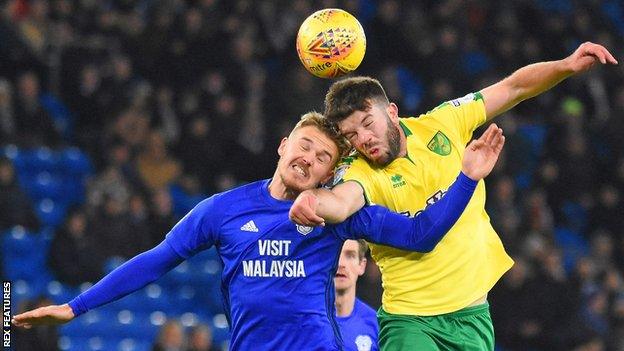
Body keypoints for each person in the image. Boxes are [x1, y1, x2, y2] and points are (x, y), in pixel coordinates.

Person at [12, 112, 505, 350]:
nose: (308, 159)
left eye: (323, 159)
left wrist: (466, 178)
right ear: (282, 144)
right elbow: (156, 260)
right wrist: (75, 307)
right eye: (304, 146)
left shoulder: (336, 215)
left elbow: (419, 235)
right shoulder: (223, 210)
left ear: (329, 175)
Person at [289, 42, 617, 350]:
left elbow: (513, 87)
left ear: (391, 111)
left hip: (473, 316)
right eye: (351, 135)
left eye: (367, 124)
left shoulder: (443, 123)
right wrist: (313, 201)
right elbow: (342, 201)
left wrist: (566, 66)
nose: (364, 138)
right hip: (411, 322)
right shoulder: (360, 171)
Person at [335, 239, 379, 351]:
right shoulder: (304, 320)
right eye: (335, 254)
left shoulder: (376, 325)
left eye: (350, 256)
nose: (341, 264)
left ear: (362, 265)